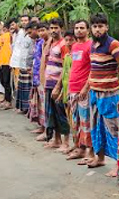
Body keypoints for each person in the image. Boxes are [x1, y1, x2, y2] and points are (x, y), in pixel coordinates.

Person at [87, 13, 119, 170]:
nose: (97, 30)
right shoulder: (92, 45)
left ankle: (118, 165)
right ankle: (100, 158)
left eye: (100, 26)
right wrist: (87, 87)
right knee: (96, 127)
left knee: (113, 128)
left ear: (106, 27)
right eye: (95, 26)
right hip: (94, 92)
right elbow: (92, 68)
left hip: (110, 93)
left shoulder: (113, 44)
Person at [65, 20, 94, 162]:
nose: (79, 30)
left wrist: (85, 88)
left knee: (86, 121)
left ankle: (90, 151)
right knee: (75, 121)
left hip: (84, 90)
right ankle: (80, 148)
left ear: (88, 30)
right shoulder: (75, 46)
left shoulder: (91, 46)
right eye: (76, 28)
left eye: (82, 28)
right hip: (73, 89)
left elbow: (93, 69)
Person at [43, 18, 70, 151]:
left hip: (57, 84)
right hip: (49, 82)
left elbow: (65, 67)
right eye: (51, 28)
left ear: (61, 28)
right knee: (52, 113)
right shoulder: (52, 43)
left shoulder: (63, 44)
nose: (53, 30)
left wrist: (58, 86)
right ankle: (57, 140)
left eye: (56, 28)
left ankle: (66, 142)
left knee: (61, 113)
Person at [54, 29, 76, 153]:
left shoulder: (76, 56)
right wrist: (61, 91)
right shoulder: (67, 56)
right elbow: (65, 75)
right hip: (67, 91)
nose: (68, 43)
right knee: (69, 118)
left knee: (75, 120)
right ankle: (73, 144)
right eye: (66, 40)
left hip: (75, 92)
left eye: (71, 40)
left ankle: (74, 144)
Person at [29, 22, 48, 138]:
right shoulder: (38, 43)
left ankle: (47, 130)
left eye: (42, 30)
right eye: (39, 31)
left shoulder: (44, 43)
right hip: (36, 76)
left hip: (43, 78)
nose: (41, 33)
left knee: (44, 105)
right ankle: (41, 126)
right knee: (39, 104)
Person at [11, 15, 33, 113]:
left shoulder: (31, 34)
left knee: (28, 88)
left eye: (26, 20)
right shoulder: (20, 33)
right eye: (22, 20)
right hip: (20, 63)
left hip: (28, 64)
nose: (24, 22)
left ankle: (28, 109)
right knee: (21, 87)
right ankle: (22, 107)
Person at [15, 21, 37, 114]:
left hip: (29, 67)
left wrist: (29, 66)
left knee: (28, 89)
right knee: (24, 88)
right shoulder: (27, 38)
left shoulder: (35, 40)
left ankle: (28, 108)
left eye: (30, 32)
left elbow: (31, 54)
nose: (29, 34)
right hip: (24, 66)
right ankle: (25, 108)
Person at [0, 23, 13, 108]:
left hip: (6, 62)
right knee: (2, 82)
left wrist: (1, 28)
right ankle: (6, 99)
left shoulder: (8, 35)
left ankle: (8, 102)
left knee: (6, 81)